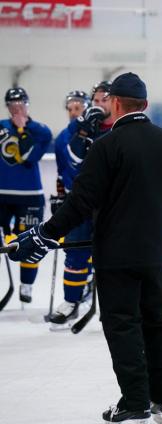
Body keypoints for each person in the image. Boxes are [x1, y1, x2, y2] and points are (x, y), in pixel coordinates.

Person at [7, 72, 162, 423]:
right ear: (144, 104)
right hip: (158, 255)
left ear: (114, 104)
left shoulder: (107, 146)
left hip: (117, 257)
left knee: (123, 325)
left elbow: (80, 203)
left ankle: (135, 401)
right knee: (157, 321)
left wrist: (44, 234)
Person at [48, 85, 114, 327]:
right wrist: (84, 131)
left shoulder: (120, 129)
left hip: (111, 205)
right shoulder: (75, 129)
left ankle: (113, 306)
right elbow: (70, 164)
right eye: (96, 100)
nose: (99, 104)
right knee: (75, 252)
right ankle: (71, 302)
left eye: (104, 100)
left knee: (112, 256)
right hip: (81, 202)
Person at [0, 87, 52, 303]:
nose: (17, 108)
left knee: (31, 239)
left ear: (28, 105)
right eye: (12, 105)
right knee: (6, 240)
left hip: (30, 195)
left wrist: (22, 130)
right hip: (1, 195)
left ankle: (27, 285)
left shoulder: (41, 131)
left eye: (21, 103)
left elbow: (29, 156)